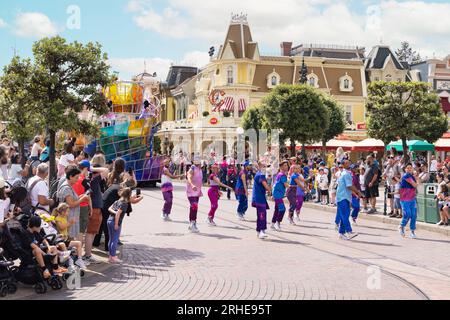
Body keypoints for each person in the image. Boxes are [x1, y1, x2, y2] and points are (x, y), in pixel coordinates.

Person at [83, 155, 109, 264]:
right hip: (95, 207)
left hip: (94, 206)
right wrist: (92, 168)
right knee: (90, 232)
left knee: (91, 232)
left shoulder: (89, 178)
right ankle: (88, 255)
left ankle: (88, 254)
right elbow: (106, 170)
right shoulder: (94, 177)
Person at [57, 167, 90, 241]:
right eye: (76, 177)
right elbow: (71, 204)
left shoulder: (68, 186)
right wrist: (82, 199)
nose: (77, 179)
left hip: (69, 217)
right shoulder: (66, 188)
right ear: (71, 176)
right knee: (69, 240)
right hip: (68, 218)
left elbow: (71, 201)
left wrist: (79, 197)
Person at [52, 203, 87, 270]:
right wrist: (70, 223)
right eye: (67, 211)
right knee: (66, 246)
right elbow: (62, 227)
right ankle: (70, 261)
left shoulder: (64, 218)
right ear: (62, 211)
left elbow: (66, 228)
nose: (68, 213)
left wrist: (70, 224)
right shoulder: (57, 218)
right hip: (60, 240)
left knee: (79, 243)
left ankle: (79, 259)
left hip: (66, 238)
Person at [335, 160, 363, 240]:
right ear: (343, 165)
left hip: (344, 197)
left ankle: (341, 233)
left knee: (345, 215)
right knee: (345, 215)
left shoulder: (346, 173)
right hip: (343, 197)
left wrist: (356, 193)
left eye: (349, 162)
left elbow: (350, 185)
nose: (349, 164)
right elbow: (349, 186)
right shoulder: (346, 174)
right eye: (347, 163)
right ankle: (349, 231)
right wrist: (357, 192)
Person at [107, 187, 132, 263]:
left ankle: (110, 256)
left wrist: (115, 212)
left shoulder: (117, 201)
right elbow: (118, 214)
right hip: (115, 221)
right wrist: (116, 224)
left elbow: (109, 208)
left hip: (109, 220)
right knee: (114, 240)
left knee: (111, 239)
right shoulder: (124, 204)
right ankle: (113, 257)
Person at [398, 163, 420, 238]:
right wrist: (417, 179)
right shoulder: (406, 176)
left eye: (411, 168)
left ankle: (412, 232)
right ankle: (401, 226)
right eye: (408, 168)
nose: (409, 169)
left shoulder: (412, 177)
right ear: (405, 169)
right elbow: (415, 185)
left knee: (414, 215)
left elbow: (417, 184)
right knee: (407, 214)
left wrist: (416, 178)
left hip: (412, 198)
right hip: (405, 199)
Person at [252, 160, 272, 239]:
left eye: (266, 166)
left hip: (258, 197)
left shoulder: (259, 174)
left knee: (260, 214)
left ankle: (258, 230)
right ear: (259, 166)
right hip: (259, 197)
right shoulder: (261, 175)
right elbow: (267, 187)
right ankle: (261, 231)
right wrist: (270, 182)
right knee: (262, 214)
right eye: (264, 166)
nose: (265, 167)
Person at [186, 156, 203, 233]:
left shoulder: (200, 169)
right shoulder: (192, 168)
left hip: (197, 191)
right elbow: (189, 177)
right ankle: (192, 223)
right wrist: (192, 185)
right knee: (194, 206)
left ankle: (193, 223)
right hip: (191, 191)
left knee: (194, 207)